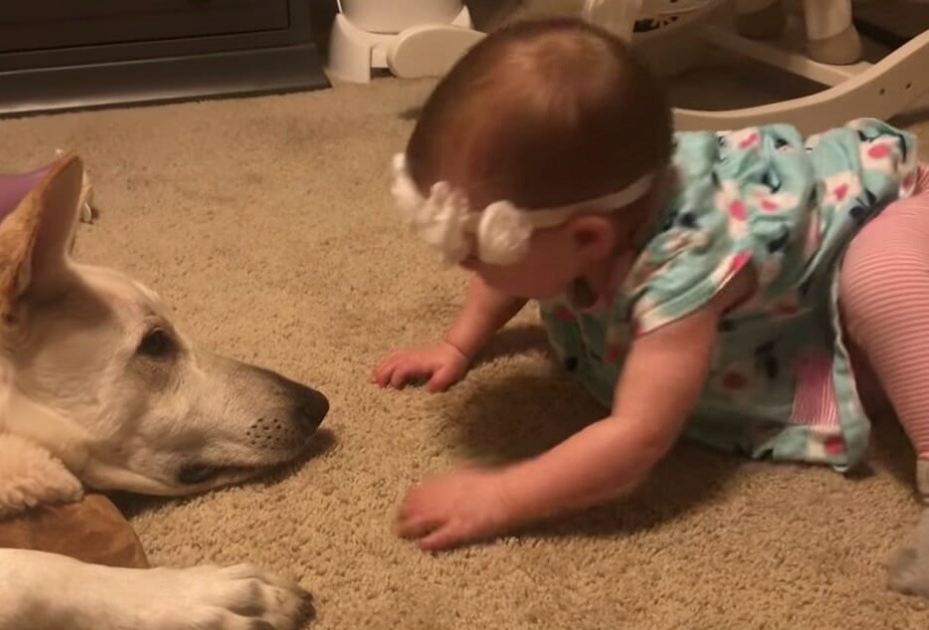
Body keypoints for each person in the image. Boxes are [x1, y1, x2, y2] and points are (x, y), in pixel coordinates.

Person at [371, 16, 929, 595]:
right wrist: (459, 342)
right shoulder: (589, 213)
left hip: (884, 220)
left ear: (587, 239)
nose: (461, 264)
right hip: (795, 296)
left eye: (474, 249)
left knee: (882, 278)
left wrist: (502, 494)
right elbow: (508, 273)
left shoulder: (682, 267)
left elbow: (639, 438)